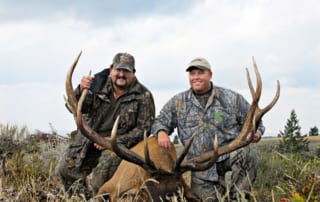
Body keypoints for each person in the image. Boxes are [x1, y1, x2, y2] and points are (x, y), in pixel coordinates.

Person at [151, 57, 264, 201]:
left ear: (210, 75)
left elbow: (256, 121)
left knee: (247, 152)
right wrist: (161, 132)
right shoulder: (178, 102)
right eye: (192, 74)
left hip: (227, 156)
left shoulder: (231, 98)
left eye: (200, 73)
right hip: (201, 169)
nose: (196, 77)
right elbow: (160, 121)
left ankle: (239, 198)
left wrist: (257, 133)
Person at [56, 52, 155, 198]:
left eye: (126, 71)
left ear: (133, 73)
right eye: (118, 70)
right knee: (66, 170)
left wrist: (113, 141)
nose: (121, 74)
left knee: (100, 179)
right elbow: (75, 107)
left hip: (116, 147)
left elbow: (143, 130)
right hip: (88, 140)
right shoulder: (97, 85)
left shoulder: (143, 96)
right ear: (111, 70)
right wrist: (81, 90)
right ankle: (82, 198)